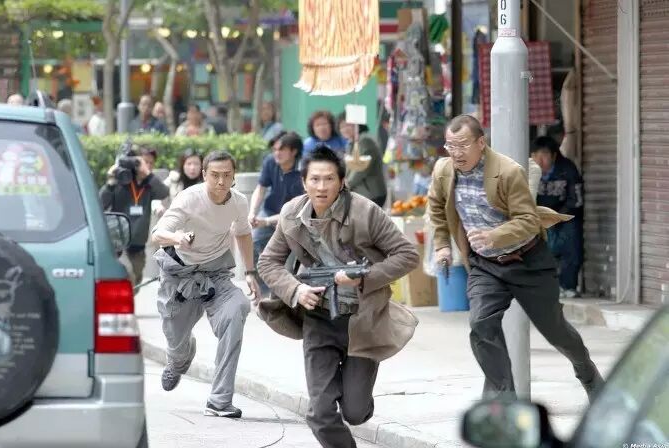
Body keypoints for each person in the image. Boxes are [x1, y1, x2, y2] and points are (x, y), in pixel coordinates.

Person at [427, 114, 603, 402]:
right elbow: (436, 207)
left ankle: (588, 373)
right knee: (481, 324)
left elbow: (528, 220)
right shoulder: (443, 171)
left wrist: (494, 235)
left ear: (481, 143)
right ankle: (503, 400)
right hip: (486, 265)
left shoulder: (508, 172)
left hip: (527, 261)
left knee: (555, 330)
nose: (456, 153)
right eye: (450, 146)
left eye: (463, 145)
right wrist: (442, 246)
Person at [257, 146, 419, 448]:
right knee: (320, 412)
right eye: (315, 179)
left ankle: (356, 394)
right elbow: (268, 262)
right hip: (319, 319)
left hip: (363, 319)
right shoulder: (291, 214)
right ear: (304, 181)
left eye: (329, 179)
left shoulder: (365, 212)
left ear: (342, 181)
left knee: (355, 412)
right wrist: (296, 290)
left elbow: (407, 255)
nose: (321, 187)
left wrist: (364, 278)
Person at [151, 150, 259, 419]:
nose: (221, 181)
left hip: (216, 274)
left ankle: (219, 400)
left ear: (234, 176)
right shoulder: (189, 198)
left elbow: (243, 233)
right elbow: (158, 234)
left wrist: (250, 272)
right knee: (176, 341)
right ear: (204, 175)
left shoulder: (239, 202)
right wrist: (177, 238)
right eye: (215, 175)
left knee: (238, 308)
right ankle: (178, 360)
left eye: (227, 175)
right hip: (179, 276)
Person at [99, 150, 169, 285]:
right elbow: (101, 203)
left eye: (150, 163)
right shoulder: (121, 181)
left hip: (138, 246)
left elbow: (163, 192)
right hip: (119, 244)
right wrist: (110, 181)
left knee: (136, 281)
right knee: (128, 274)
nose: (147, 166)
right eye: (144, 162)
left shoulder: (149, 184)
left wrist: (147, 174)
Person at [248, 132, 305, 294]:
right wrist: (252, 213)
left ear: (294, 151)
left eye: (281, 149)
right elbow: (260, 188)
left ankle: (284, 293)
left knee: (288, 260)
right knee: (253, 241)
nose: (277, 153)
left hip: (296, 219)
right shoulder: (270, 161)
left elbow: (297, 210)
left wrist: (266, 221)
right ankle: (264, 292)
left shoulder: (304, 170)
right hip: (270, 210)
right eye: (274, 149)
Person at [530, 136, 584, 298]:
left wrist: (558, 216)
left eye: (545, 155)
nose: (540, 160)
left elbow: (576, 198)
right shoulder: (526, 170)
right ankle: (546, 286)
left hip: (565, 214)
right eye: (535, 155)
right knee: (540, 251)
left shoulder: (567, 169)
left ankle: (568, 286)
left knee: (571, 248)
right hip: (539, 216)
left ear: (554, 156)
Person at [337, 112, 387, 207]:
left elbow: (360, 169)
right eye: (342, 127)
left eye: (348, 125)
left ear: (358, 125)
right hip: (361, 194)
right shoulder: (351, 143)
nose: (345, 129)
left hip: (371, 194)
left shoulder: (365, 141)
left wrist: (346, 185)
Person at [152, 148, 204, 217]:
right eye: (189, 164)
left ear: (201, 166)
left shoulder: (206, 183)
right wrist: (158, 208)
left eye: (196, 164)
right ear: (183, 165)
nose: (192, 168)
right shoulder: (173, 179)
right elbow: (156, 195)